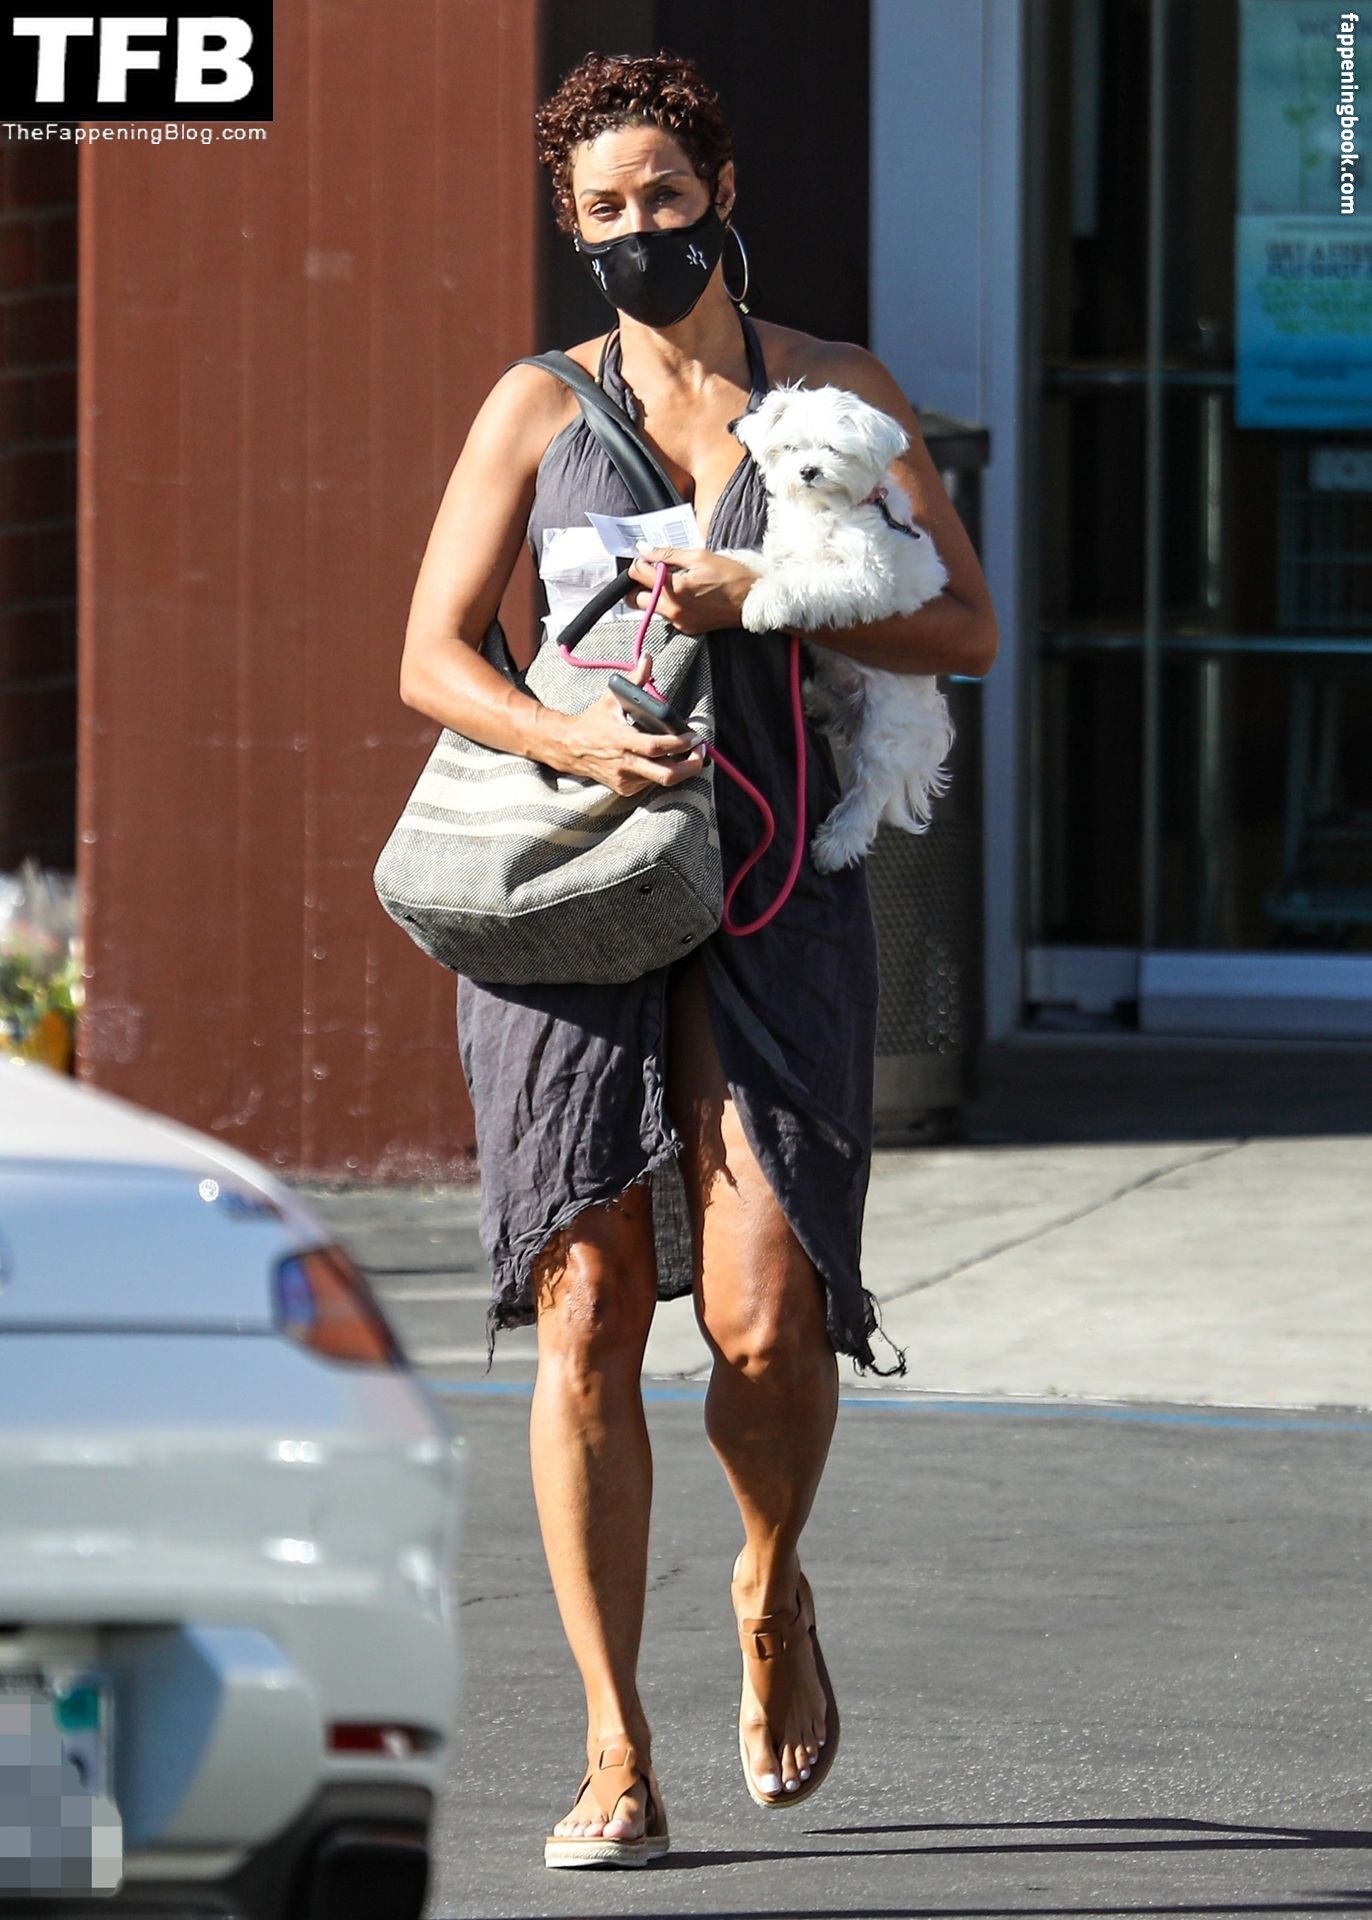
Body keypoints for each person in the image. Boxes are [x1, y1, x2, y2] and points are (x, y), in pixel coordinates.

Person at [398, 47, 998, 1867]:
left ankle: (768, 1580)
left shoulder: (838, 393)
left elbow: (965, 627)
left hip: (768, 880)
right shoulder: (536, 407)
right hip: (574, 887)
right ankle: (613, 1748)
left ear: (723, 192)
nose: (639, 227)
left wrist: (775, 592)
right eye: (605, 208)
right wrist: (568, 736)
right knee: (585, 1305)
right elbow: (431, 653)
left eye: (665, 193)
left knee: (762, 1310)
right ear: (571, 229)